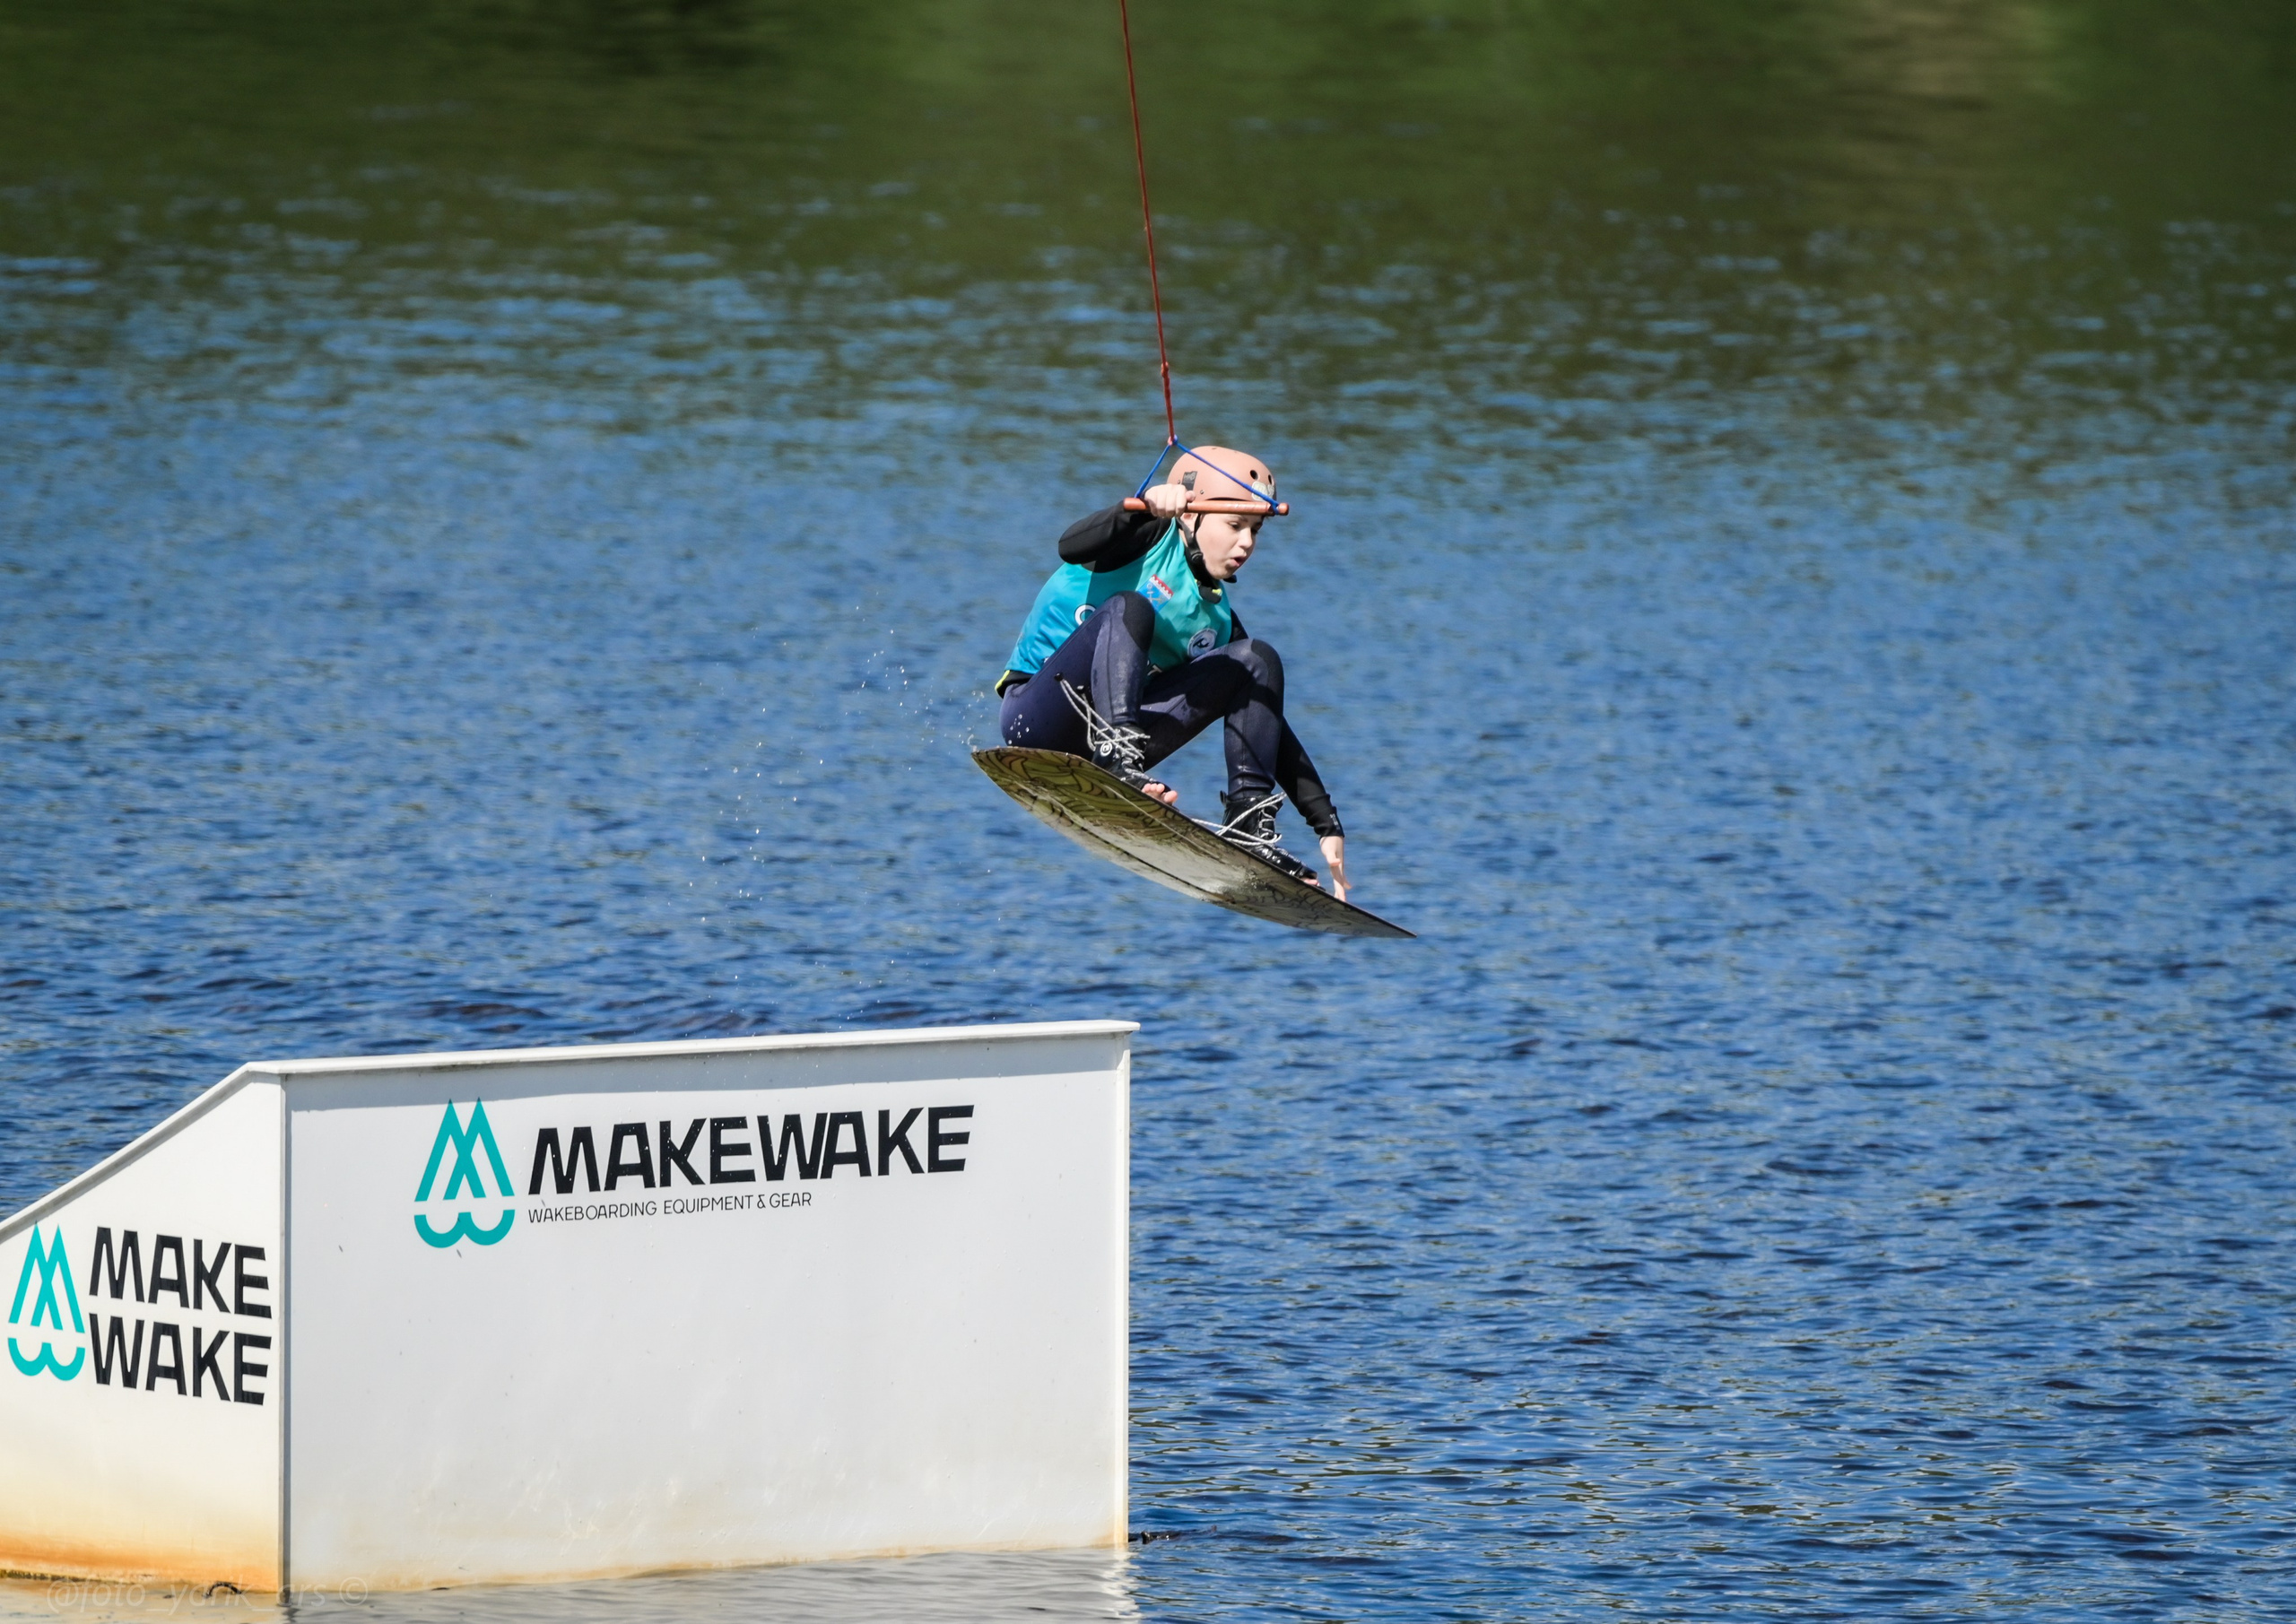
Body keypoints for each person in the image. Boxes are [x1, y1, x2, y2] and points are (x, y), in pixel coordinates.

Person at [996, 445, 1350, 899]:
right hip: (1035, 719)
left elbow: (1270, 725)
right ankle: (1118, 760)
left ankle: (1249, 827)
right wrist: (1143, 511)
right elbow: (1071, 545)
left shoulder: (1218, 621)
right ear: (1191, 515)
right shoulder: (1146, 537)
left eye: (1256, 531)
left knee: (1256, 659)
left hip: (1108, 742)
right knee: (1131, 606)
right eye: (1235, 525)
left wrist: (1325, 821)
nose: (1247, 544)